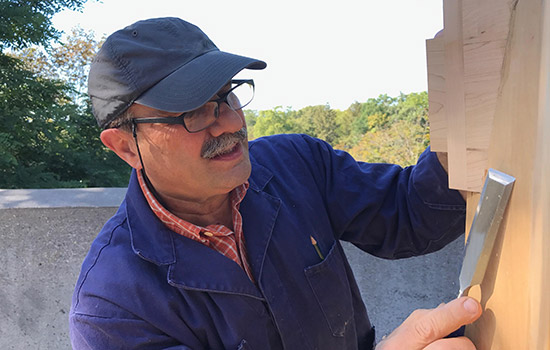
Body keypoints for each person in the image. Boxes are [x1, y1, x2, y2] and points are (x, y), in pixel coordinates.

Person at [69, 17, 482, 350]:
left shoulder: (294, 165)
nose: (231, 122)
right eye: (193, 112)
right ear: (125, 146)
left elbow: (409, 215)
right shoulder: (114, 307)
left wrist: (463, 114)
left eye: (228, 95)